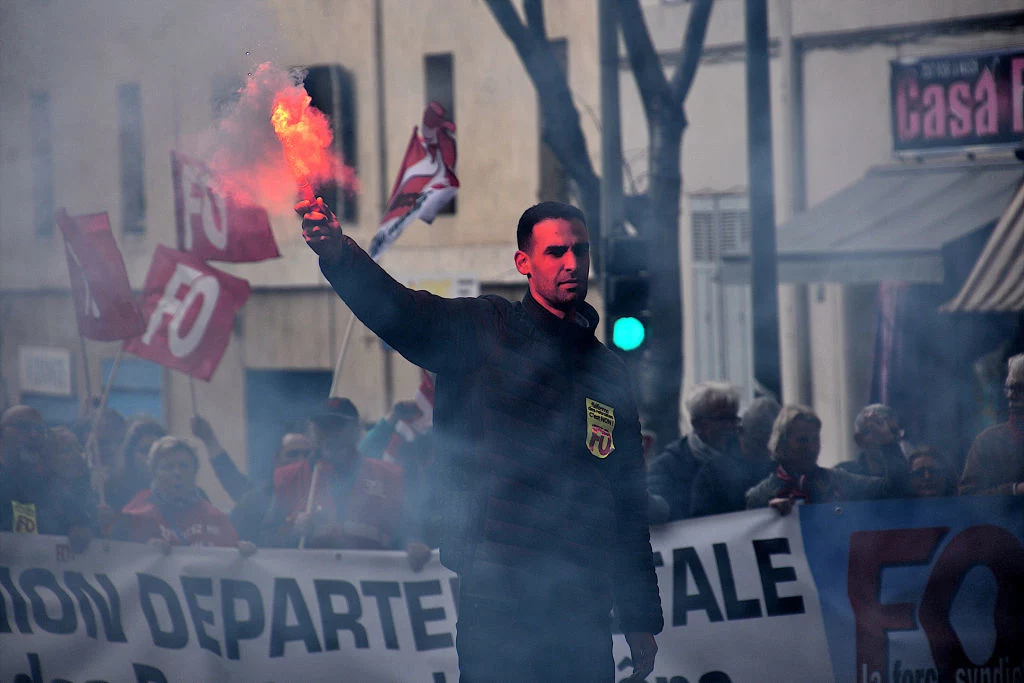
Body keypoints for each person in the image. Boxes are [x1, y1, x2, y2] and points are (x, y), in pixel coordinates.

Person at [298, 198, 662, 681]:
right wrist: (340, 255)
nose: (572, 263)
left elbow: (628, 499)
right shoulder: (486, 328)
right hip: (498, 598)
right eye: (555, 252)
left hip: (581, 605)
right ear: (524, 263)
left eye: (581, 250)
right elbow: (403, 313)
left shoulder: (608, 371)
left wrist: (639, 619)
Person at [260, 398, 404, 551]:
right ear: (312, 431)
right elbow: (266, 538)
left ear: (355, 430)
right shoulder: (289, 477)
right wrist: (293, 531)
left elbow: (407, 529)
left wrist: (414, 542)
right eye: (323, 427)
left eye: (338, 426)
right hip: (310, 573)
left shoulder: (387, 475)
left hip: (371, 572)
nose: (330, 434)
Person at [746, 405, 888, 514]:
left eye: (815, 440)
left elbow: (892, 488)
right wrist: (768, 513)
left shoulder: (836, 480)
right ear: (782, 444)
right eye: (802, 441)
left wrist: (888, 442)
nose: (812, 448)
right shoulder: (760, 496)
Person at [112, 436, 244, 550]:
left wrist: (242, 551)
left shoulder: (217, 519)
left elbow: (232, 553)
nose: (177, 473)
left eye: (183, 466)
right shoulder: (133, 517)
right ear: (154, 473)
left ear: (195, 471)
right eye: (168, 467)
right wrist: (141, 551)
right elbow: (115, 557)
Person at [0, 407, 95, 550]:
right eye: (24, 427)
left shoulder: (47, 483)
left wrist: (81, 528)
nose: (33, 434)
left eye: (38, 429)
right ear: (2, 433)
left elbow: (77, 522)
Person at [647, 382, 741, 524]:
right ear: (698, 425)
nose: (730, 426)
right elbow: (658, 514)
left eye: (733, 418)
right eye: (722, 419)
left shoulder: (746, 457)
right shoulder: (667, 468)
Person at [690, 396, 779, 517]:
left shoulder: (785, 468)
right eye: (759, 442)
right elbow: (701, 522)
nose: (767, 451)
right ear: (740, 431)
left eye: (772, 444)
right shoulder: (713, 474)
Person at [959, 353, 1024, 496]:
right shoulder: (988, 442)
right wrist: (1014, 490)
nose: (1011, 395)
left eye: (1020, 388)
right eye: (1010, 388)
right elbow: (968, 495)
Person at [229, 431, 312, 543]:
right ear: (277, 459)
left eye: (306, 455)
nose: (301, 461)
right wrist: (291, 533)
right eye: (293, 454)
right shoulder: (253, 501)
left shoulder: (321, 495)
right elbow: (234, 545)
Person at [835, 404, 910, 498]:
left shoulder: (912, 472)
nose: (888, 436)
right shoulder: (844, 475)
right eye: (876, 430)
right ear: (859, 440)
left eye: (893, 431)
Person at [105, 416, 167, 514]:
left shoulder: (180, 487)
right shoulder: (114, 490)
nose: (152, 457)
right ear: (130, 456)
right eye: (145, 450)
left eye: (157, 451)